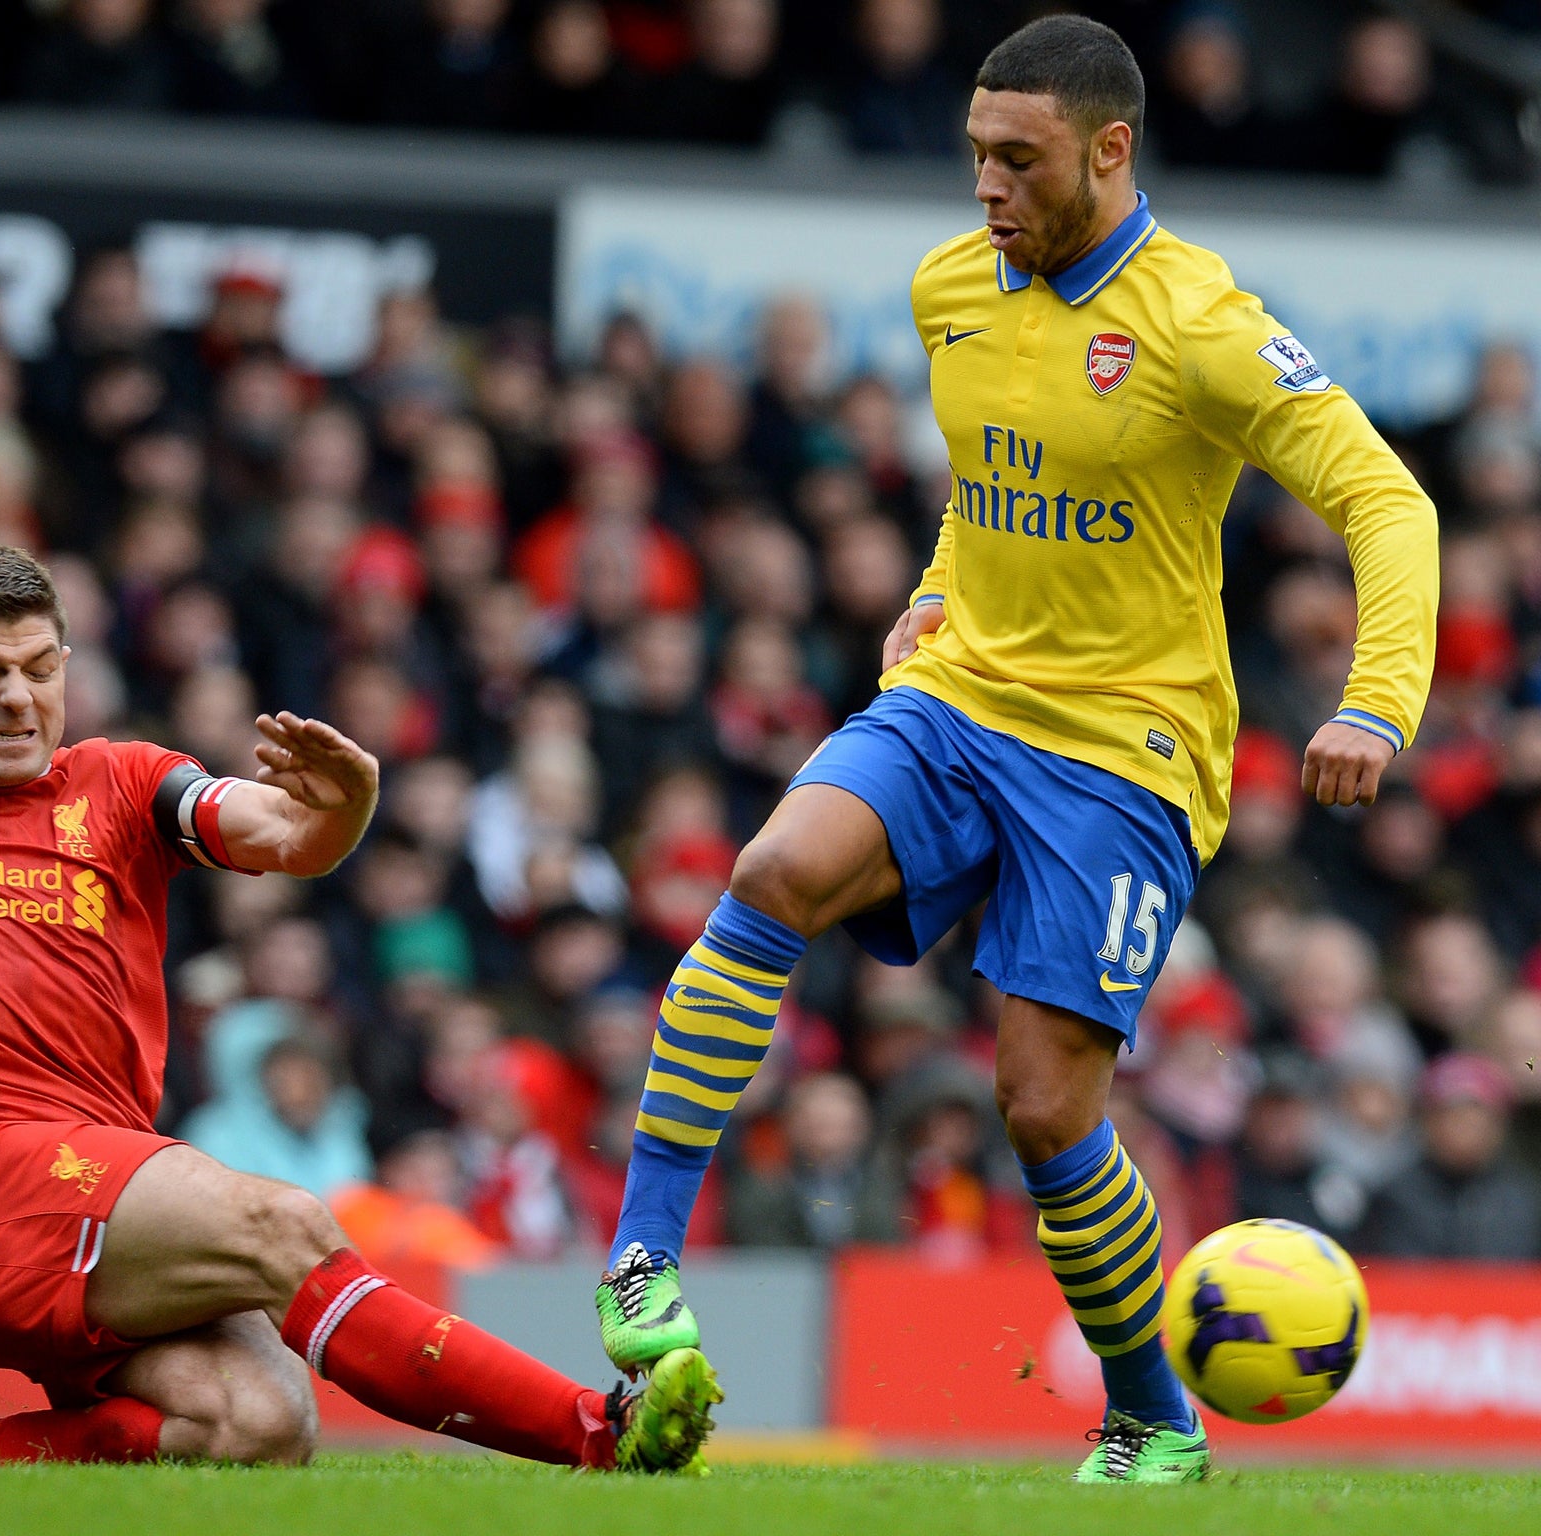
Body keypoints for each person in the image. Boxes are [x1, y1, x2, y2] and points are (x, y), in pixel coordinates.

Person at [592, 15, 1437, 1486]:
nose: (986, 186)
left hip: (1127, 749)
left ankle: (1152, 1410)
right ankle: (641, 1262)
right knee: (776, 867)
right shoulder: (951, 290)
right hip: (963, 697)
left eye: (1019, 160)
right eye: (977, 153)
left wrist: (1377, 698)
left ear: (1111, 152)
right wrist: (933, 594)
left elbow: (1390, 504)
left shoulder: (1206, 326)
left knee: (1045, 1105)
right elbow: (991, 486)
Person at [0, 536, 719, 1471]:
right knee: (281, 1222)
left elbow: (282, 832)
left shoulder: (119, 782)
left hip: (91, 1188)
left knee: (258, 1422)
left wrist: (341, 813)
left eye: (40, 667)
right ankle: (598, 1431)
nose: (19, 698)